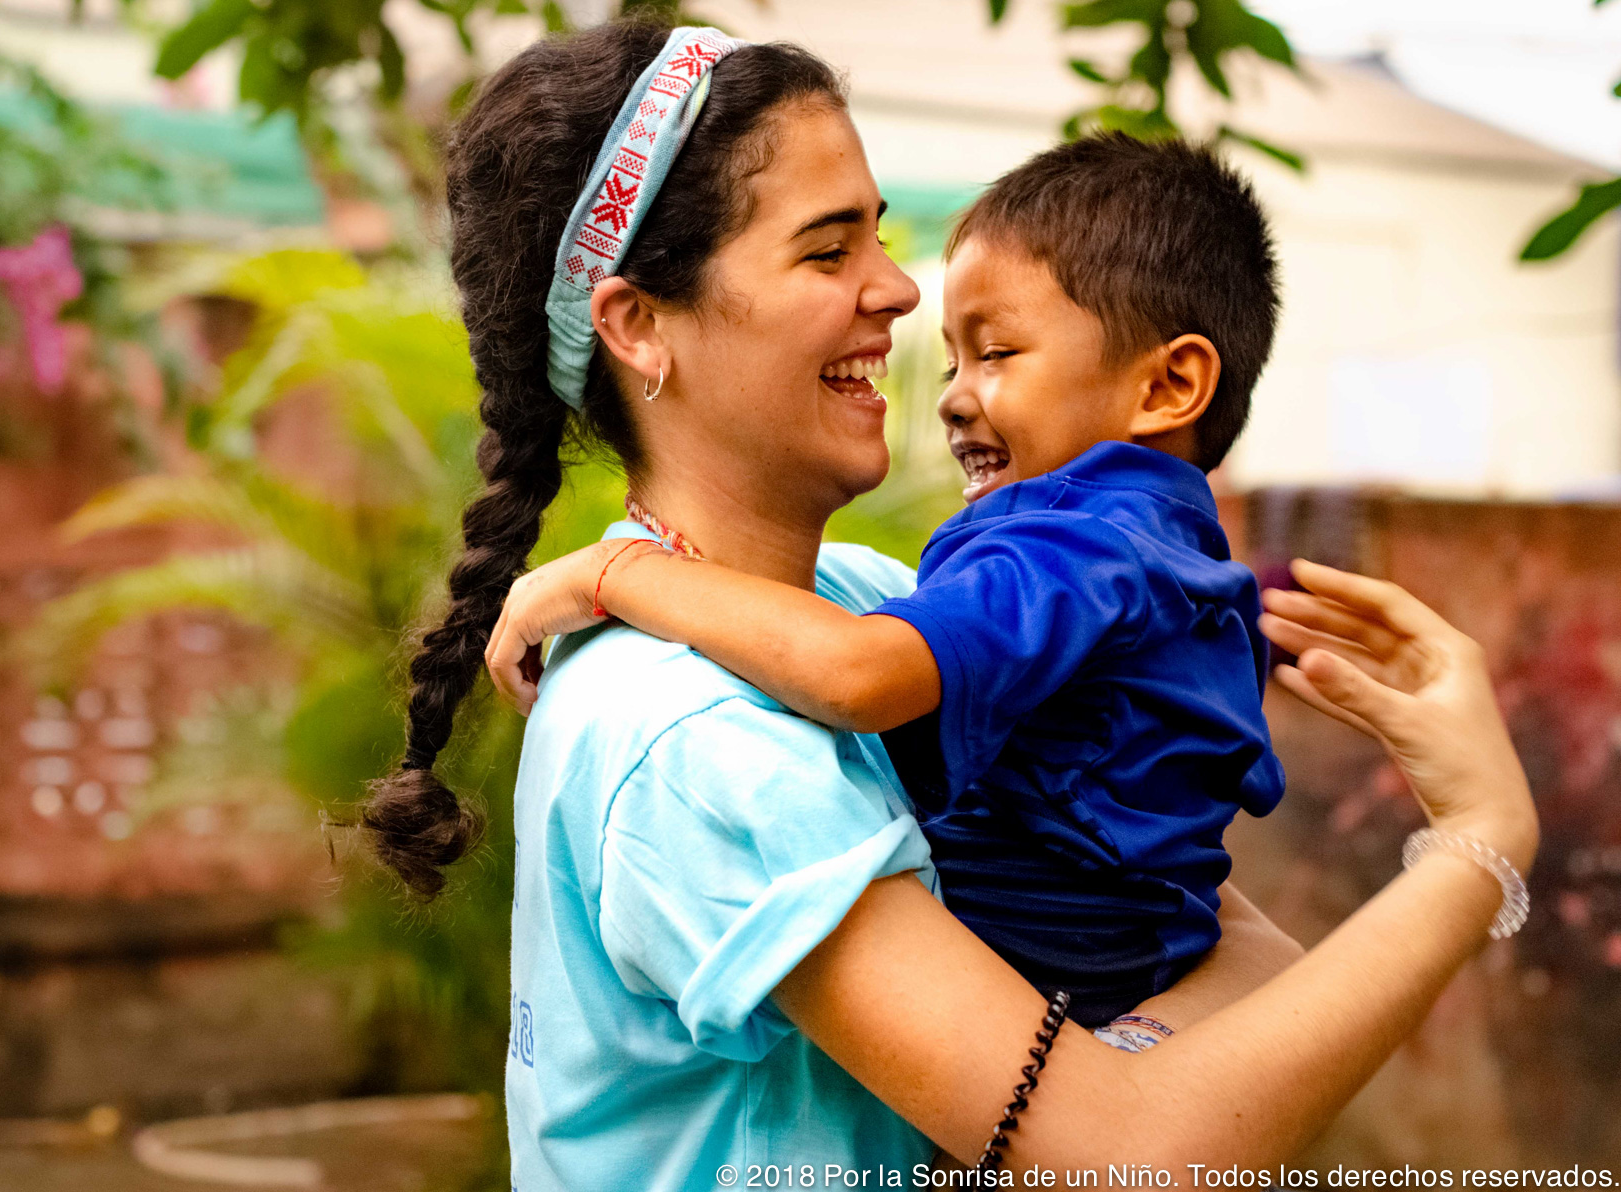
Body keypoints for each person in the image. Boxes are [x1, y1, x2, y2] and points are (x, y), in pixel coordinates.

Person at [359, 20, 1538, 1189]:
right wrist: (1479, 845)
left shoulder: (866, 600)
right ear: (638, 327)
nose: (899, 289)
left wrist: (1153, 1069)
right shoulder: (696, 737)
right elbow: (1136, 1151)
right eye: (828, 253)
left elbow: (1210, 938)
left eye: (878, 237)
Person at [485, 134, 1289, 1035]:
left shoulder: (1077, 549)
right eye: (956, 362)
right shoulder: (1161, 549)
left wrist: (615, 571)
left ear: (1171, 383)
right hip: (1122, 972)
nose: (952, 394)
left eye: (997, 355)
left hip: (1059, 992)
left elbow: (858, 675)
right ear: (638, 326)